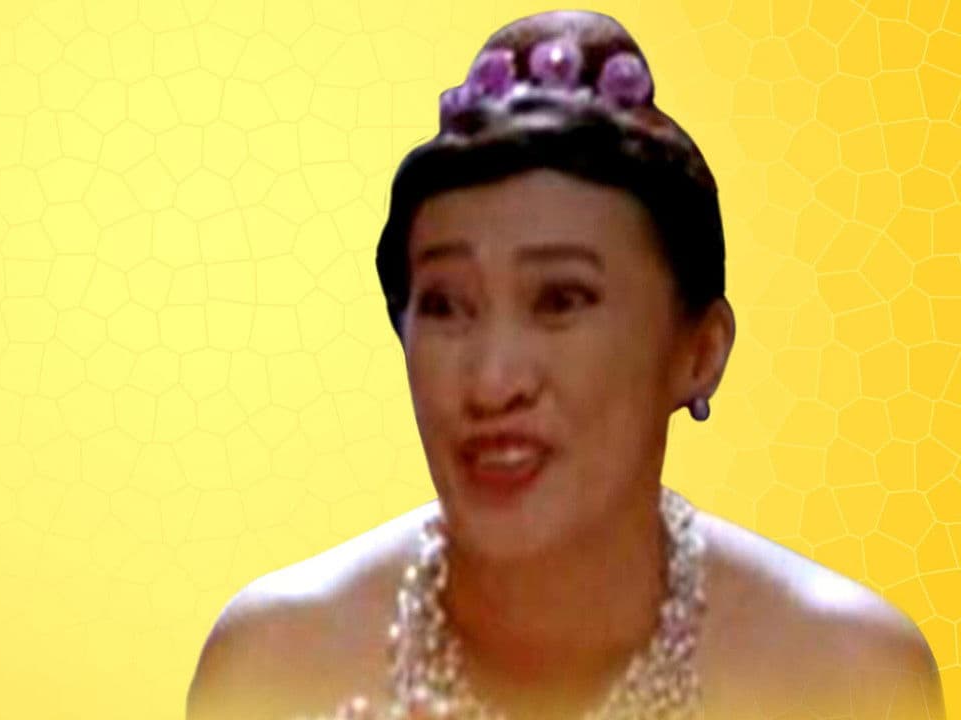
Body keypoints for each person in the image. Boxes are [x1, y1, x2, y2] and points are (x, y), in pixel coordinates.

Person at [186, 10, 944, 720]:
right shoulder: (274, 663)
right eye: (446, 305)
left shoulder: (848, 674)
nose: (492, 382)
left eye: (560, 300)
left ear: (700, 351)